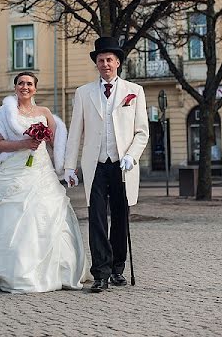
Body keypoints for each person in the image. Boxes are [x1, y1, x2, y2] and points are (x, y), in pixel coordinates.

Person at [0, 71, 89, 293]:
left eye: (29, 84)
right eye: (21, 83)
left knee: (45, 214)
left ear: (35, 88)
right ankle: (10, 270)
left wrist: (67, 168)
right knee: (9, 218)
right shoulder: (4, 113)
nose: (25, 87)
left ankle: (58, 270)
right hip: (12, 172)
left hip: (41, 172)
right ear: (15, 87)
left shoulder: (44, 113)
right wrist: (24, 143)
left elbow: (57, 144)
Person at [65, 36, 149, 293]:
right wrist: (70, 166)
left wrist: (131, 155)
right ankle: (100, 273)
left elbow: (142, 132)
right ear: (97, 64)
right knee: (97, 218)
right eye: (101, 60)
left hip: (122, 165)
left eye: (109, 60)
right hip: (96, 164)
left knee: (121, 218)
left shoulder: (134, 91)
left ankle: (117, 269)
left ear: (118, 63)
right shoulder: (83, 93)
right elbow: (75, 131)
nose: (105, 64)